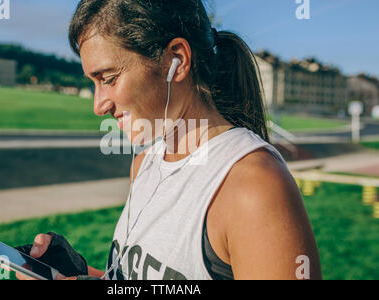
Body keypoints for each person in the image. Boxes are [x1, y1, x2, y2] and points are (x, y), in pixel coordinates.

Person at [16, 0, 322, 280]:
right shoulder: (143, 165)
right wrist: (75, 272)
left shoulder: (253, 186)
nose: (99, 106)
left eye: (108, 79)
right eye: (94, 83)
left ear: (176, 60)